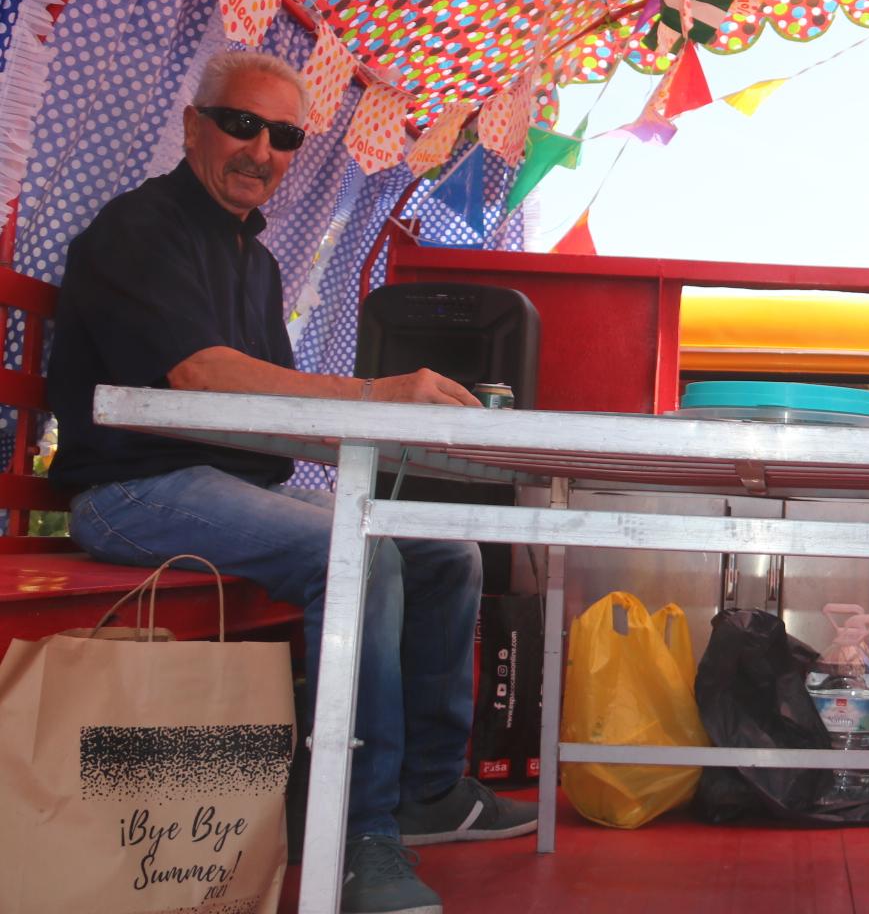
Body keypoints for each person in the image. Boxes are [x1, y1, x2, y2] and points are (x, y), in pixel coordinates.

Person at [47, 50, 536, 914]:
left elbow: (270, 405)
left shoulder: (256, 259)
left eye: (283, 137)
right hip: (132, 493)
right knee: (359, 557)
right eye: (241, 124)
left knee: (444, 549)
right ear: (193, 126)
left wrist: (398, 425)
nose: (261, 150)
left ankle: (426, 792)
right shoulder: (140, 229)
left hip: (231, 488)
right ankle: (356, 834)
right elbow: (199, 375)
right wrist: (377, 395)